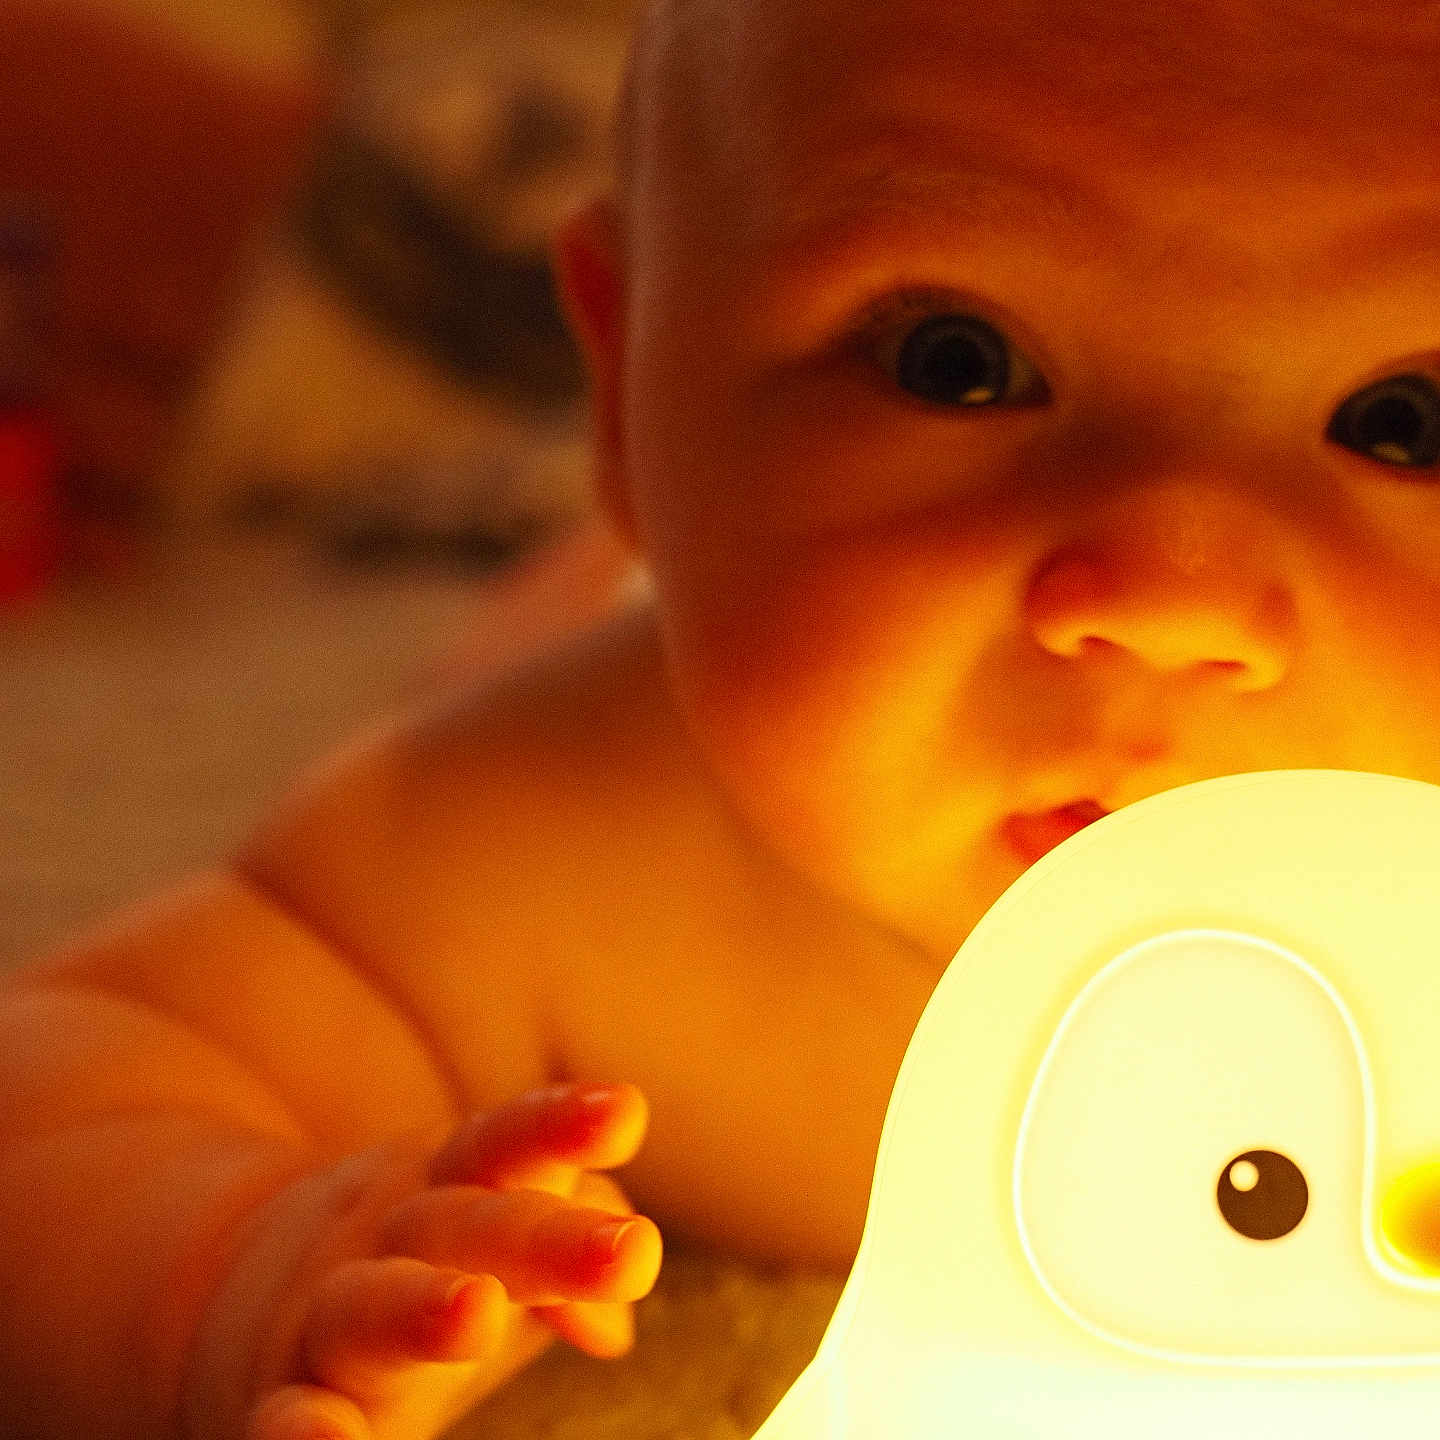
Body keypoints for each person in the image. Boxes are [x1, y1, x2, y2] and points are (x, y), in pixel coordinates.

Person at [7, 0, 1440, 1435]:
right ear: (627, 395)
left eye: (1409, 422)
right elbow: (64, 1080)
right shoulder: (585, 853)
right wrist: (241, 1261)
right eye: (955, 360)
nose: (1171, 600)